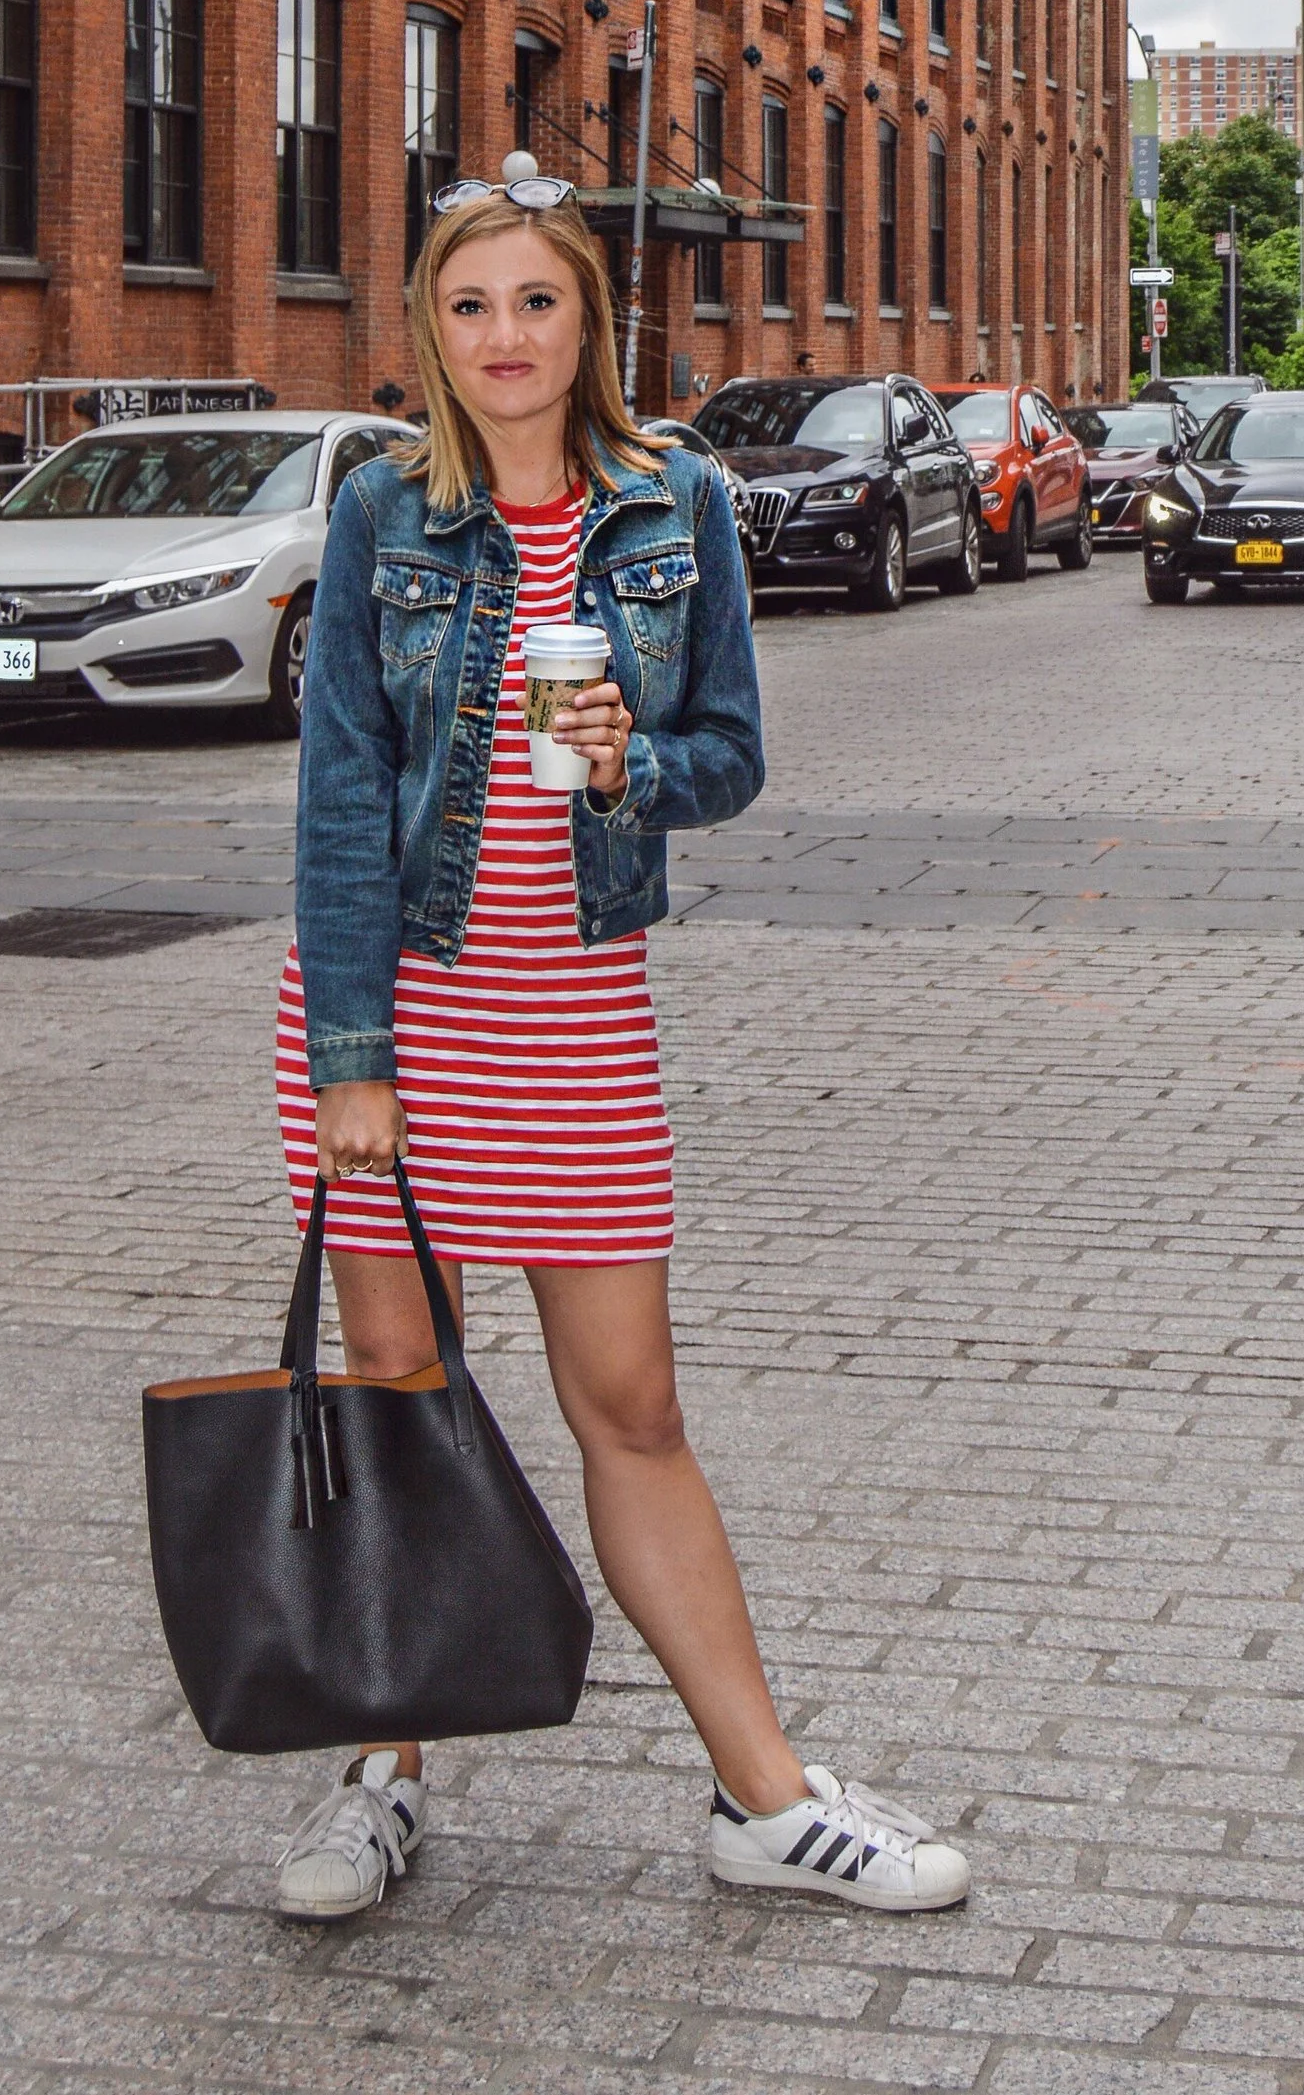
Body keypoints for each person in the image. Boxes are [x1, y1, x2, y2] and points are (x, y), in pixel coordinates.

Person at [269, 165, 969, 1924]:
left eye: (537, 303)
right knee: (406, 1405)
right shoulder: (384, 513)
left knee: (633, 1409)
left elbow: (731, 752)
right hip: (398, 1020)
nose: (504, 337)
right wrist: (355, 1054)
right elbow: (342, 799)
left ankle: (767, 1796)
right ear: (429, 329)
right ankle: (381, 1776)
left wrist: (629, 767)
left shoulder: (675, 506)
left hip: (574, 1013)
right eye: (469, 305)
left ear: (589, 322)